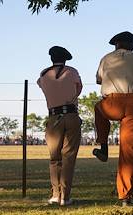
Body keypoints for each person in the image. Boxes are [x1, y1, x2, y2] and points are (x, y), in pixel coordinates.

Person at [93, 31, 133, 206]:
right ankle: (125, 196)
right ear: (132, 45)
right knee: (129, 152)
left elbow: (98, 80)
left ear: (116, 45)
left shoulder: (106, 58)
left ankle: (103, 145)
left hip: (111, 103)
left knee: (98, 108)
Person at [37, 46, 83, 206]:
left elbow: (40, 84)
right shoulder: (72, 71)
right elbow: (79, 89)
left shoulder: (43, 74)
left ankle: (55, 194)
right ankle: (65, 196)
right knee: (68, 157)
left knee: (54, 158)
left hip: (53, 116)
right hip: (71, 115)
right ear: (66, 59)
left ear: (51, 58)